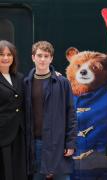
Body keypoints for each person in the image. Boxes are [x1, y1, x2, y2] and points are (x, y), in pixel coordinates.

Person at [24, 41, 77, 180]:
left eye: (46, 56)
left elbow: (71, 113)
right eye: (39, 55)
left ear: (51, 58)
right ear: (33, 57)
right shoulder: (25, 83)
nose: (42, 59)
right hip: (34, 144)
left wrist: (70, 143)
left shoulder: (62, 82)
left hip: (58, 144)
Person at [0, 40, 28, 180]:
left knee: (18, 171)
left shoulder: (20, 77)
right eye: (1, 54)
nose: (5, 58)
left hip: (19, 133)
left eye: (9, 54)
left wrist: (55, 75)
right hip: (2, 134)